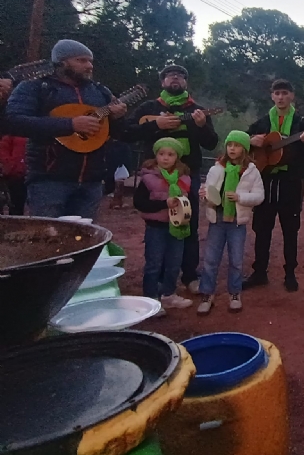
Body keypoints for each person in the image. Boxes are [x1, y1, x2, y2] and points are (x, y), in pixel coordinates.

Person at [5, 39, 127, 219]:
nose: (89, 66)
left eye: (90, 61)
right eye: (81, 60)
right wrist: (70, 125)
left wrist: (118, 118)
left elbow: (117, 133)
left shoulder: (100, 91)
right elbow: (14, 122)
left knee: (84, 236)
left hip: (91, 182)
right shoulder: (35, 87)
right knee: (48, 234)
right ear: (62, 62)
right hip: (49, 181)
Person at [125, 64, 219, 294]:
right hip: (155, 176)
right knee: (157, 223)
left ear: (186, 82)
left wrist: (201, 126)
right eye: (170, 75)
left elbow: (211, 143)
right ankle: (157, 280)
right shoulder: (149, 108)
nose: (175, 78)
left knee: (188, 223)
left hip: (187, 176)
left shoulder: (197, 110)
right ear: (163, 82)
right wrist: (155, 124)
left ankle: (189, 276)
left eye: (180, 76)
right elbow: (127, 132)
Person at [243, 79, 304, 292]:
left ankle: (290, 274)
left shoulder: (301, 123)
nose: (281, 97)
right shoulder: (263, 122)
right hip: (265, 182)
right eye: (277, 93)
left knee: (290, 229)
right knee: (261, 228)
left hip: (290, 183)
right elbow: (240, 141)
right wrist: (250, 140)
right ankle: (259, 272)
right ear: (272, 96)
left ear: (292, 96)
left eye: (285, 93)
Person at [197, 131, 264, 315]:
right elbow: (208, 191)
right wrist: (204, 195)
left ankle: (235, 294)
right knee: (211, 260)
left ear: (245, 149)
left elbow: (259, 196)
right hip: (217, 220)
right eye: (230, 145)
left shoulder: (252, 171)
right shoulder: (216, 168)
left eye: (237, 145)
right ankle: (207, 294)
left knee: (236, 260)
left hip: (237, 222)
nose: (232, 149)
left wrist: (240, 197)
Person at [133, 137, 193, 314]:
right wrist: (164, 204)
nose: (165, 158)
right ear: (156, 155)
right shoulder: (148, 178)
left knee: (174, 263)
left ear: (177, 157)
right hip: (155, 228)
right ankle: (151, 299)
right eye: (161, 154)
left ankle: (169, 294)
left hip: (177, 226)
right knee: (154, 264)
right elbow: (139, 203)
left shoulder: (184, 179)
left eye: (170, 154)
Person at [0, 135, 27, 215]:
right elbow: (3, 150)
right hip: (15, 177)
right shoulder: (13, 134)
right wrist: (11, 166)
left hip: (34, 175)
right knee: (16, 207)